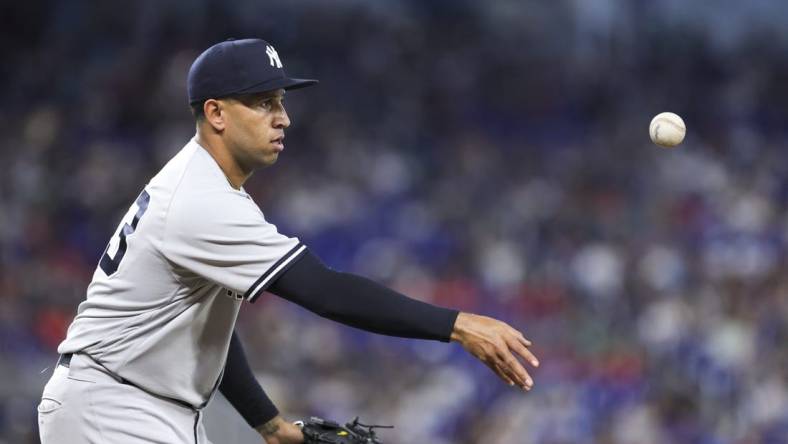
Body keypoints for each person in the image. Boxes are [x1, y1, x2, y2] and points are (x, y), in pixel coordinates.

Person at [37, 38, 539, 444]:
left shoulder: (210, 190)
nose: (283, 118)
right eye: (264, 103)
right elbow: (326, 290)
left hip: (132, 404)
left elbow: (203, 327)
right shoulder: (201, 200)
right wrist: (457, 325)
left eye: (280, 103)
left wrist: (270, 425)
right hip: (110, 409)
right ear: (216, 113)